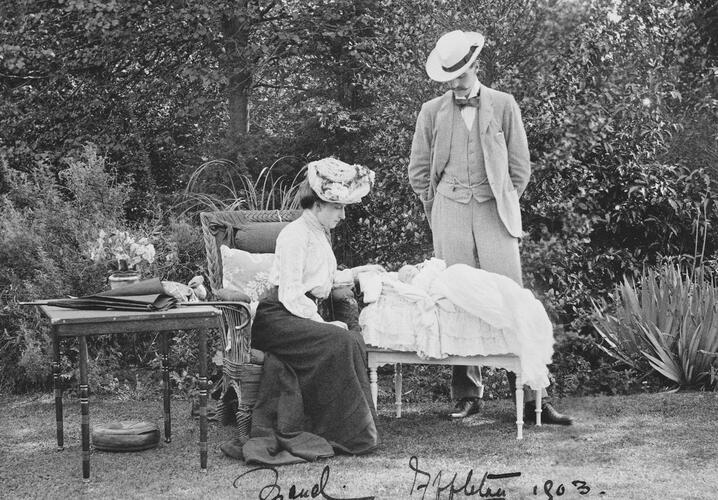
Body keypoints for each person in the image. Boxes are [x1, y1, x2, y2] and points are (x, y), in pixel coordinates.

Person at [408, 30, 572, 424]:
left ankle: (536, 395)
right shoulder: (432, 112)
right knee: (456, 300)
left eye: (462, 71)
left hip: (495, 214)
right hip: (449, 212)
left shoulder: (503, 104)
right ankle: (467, 394)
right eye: (451, 74)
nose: (457, 80)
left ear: (476, 65)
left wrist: (498, 198)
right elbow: (418, 172)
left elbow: (520, 167)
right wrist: (440, 210)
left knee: (513, 300)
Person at [221, 157, 383, 464]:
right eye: (338, 207)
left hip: (297, 314)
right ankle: (339, 431)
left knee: (351, 338)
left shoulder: (319, 233)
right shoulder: (295, 235)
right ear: (319, 205)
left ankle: (351, 429)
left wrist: (360, 271)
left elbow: (323, 281)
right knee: (342, 339)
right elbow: (293, 293)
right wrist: (324, 323)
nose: (343, 214)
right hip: (279, 317)